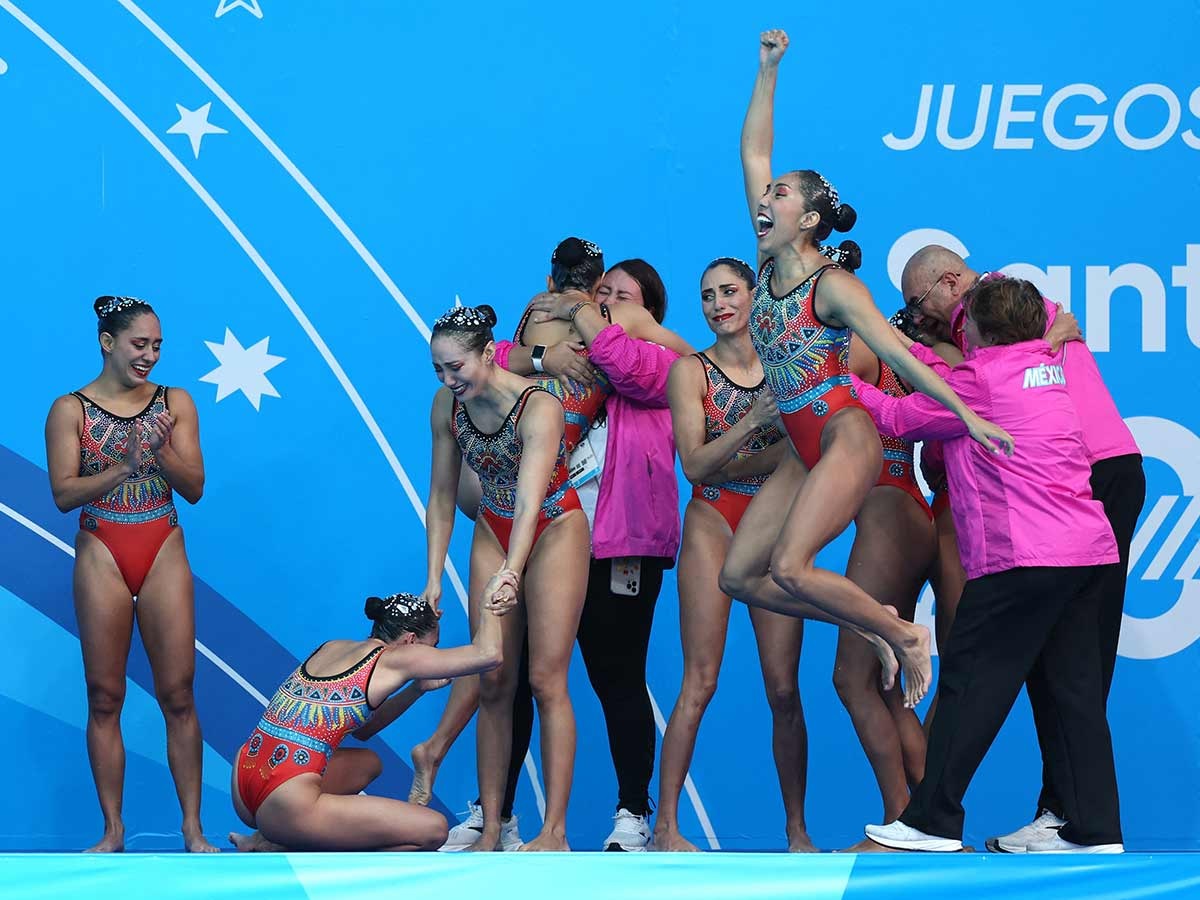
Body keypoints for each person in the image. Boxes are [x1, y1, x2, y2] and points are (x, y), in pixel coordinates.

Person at [718, 30, 1013, 710]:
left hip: (845, 436)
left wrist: (966, 413)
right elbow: (754, 150)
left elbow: (904, 355)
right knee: (742, 577)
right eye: (768, 195)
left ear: (810, 218)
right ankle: (876, 626)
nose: (767, 199)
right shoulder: (765, 263)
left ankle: (905, 635)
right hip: (801, 445)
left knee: (790, 567)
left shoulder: (835, 287)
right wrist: (768, 72)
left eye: (782, 195)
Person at [414, 246, 691, 851]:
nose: (602, 300)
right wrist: (544, 350)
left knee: (596, 676)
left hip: (600, 530)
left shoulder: (639, 354)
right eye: (600, 290)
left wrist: (585, 322)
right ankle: (496, 819)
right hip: (510, 517)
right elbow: (492, 356)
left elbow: (651, 363)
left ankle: (619, 817)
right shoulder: (508, 361)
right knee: (500, 678)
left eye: (618, 296)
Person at [860, 276, 1124, 854]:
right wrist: (906, 347)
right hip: (1086, 555)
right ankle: (1097, 830)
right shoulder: (1044, 363)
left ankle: (932, 821)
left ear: (978, 331)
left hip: (1022, 561)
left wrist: (836, 386)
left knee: (967, 685)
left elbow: (898, 418)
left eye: (966, 323)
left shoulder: (979, 382)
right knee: (1076, 692)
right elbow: (946, 376)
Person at [44, 295, 215, 853]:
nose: (150, 356)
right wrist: (124, 462)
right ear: (107, 342)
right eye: (140, 345)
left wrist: (159, 451)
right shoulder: (69, 409)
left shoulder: (175, 402)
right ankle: (113, 831)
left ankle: (193, 830)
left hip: (161, 541)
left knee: (179, 694)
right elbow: (64, 494)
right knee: (103, 696)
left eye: (158, 346)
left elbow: (194, 488)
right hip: (102, 547)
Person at [654, 257, 814, 852]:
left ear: (755, 294)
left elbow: (807, 452)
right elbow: (694, 465)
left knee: (783, 689)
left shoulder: (787, 361)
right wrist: (752, 423)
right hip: (713, 519)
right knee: (700, 680)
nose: (719, 304)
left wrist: (749, 458)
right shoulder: (689, 371)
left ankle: (797, 832)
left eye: (729, 292)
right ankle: (666, 828)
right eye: (707, 296)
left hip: (772, 523)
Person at [424, 303, 590, 851]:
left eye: (457, 367)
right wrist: (432, 580)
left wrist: (513, 572)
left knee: (546, 681)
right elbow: (444, 495)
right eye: (440, 370)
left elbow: (530, 496)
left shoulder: (538, 403)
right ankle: (493, 827)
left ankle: (555, 832)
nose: (450, 380)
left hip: (553, 526)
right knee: (493, 677)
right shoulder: (448, 406)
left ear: (487, 354)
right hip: (492, 529)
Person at [229, 584, 515, 851]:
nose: (433, 655)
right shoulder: (396, 658)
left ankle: (270, 833)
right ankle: (282, 841)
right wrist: (488, 606)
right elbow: (488, 655)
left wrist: (416, 690)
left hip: (245, 781)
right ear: (411, 641)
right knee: (434, 830)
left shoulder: (332, 647)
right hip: (286, 800)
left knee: (368, 763)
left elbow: (364, 731)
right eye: (433, 645)